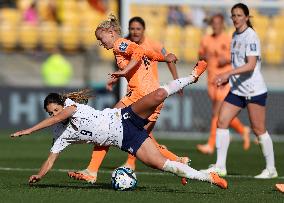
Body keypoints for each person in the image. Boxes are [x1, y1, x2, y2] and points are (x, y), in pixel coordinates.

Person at [10, 62, 228, 190]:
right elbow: (51, 158)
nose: (55, 114)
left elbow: (59, 118)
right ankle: (209, 178)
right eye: (50, 113)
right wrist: (40, 175)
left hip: (123, 117)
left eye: (55, 110)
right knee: (162, 165)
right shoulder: (61, 135)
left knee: (159, 94)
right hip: (125, 139)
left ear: (62, 104)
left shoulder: (70, 107)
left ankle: (192, 76)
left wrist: (28, 130)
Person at [68, 16, 187, 184]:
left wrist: (124, 72)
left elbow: (138, 53)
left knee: (106, 126)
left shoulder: (119, 44)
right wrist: (164, 58)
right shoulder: (125, 44)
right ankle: (177, 161)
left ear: (111, 33)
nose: (101, 43)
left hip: (140, 94)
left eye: (101, 39)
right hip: (152, 94)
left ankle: (91, 171)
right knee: (142, 139)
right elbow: (145, 52)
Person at [201, 3, 278, 179]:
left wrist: (227, 73)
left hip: (253, 89)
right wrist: (229, 77)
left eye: (239, 15)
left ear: (247, 17)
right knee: (222, 121)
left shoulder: (251, 36)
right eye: (233, 15)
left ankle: (271, 169)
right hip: (237, 89)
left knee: (258, 129)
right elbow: (238, 63)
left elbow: (250, 65)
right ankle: (220, 166)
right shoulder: (235, 35)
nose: (235, 18)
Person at [196, 13, 250, 155]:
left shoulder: (228, 39)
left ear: (222, 24)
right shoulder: (206, 39)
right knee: (221, 113)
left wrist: (225, 59)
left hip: (225, 80)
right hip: (211, 80)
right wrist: (204, 57)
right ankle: (243, 130)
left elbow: (238, 57)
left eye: (218, 22)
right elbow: (200, 55)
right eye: (213, 22)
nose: (215, 25)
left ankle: (210, 144)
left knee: (216, 112)